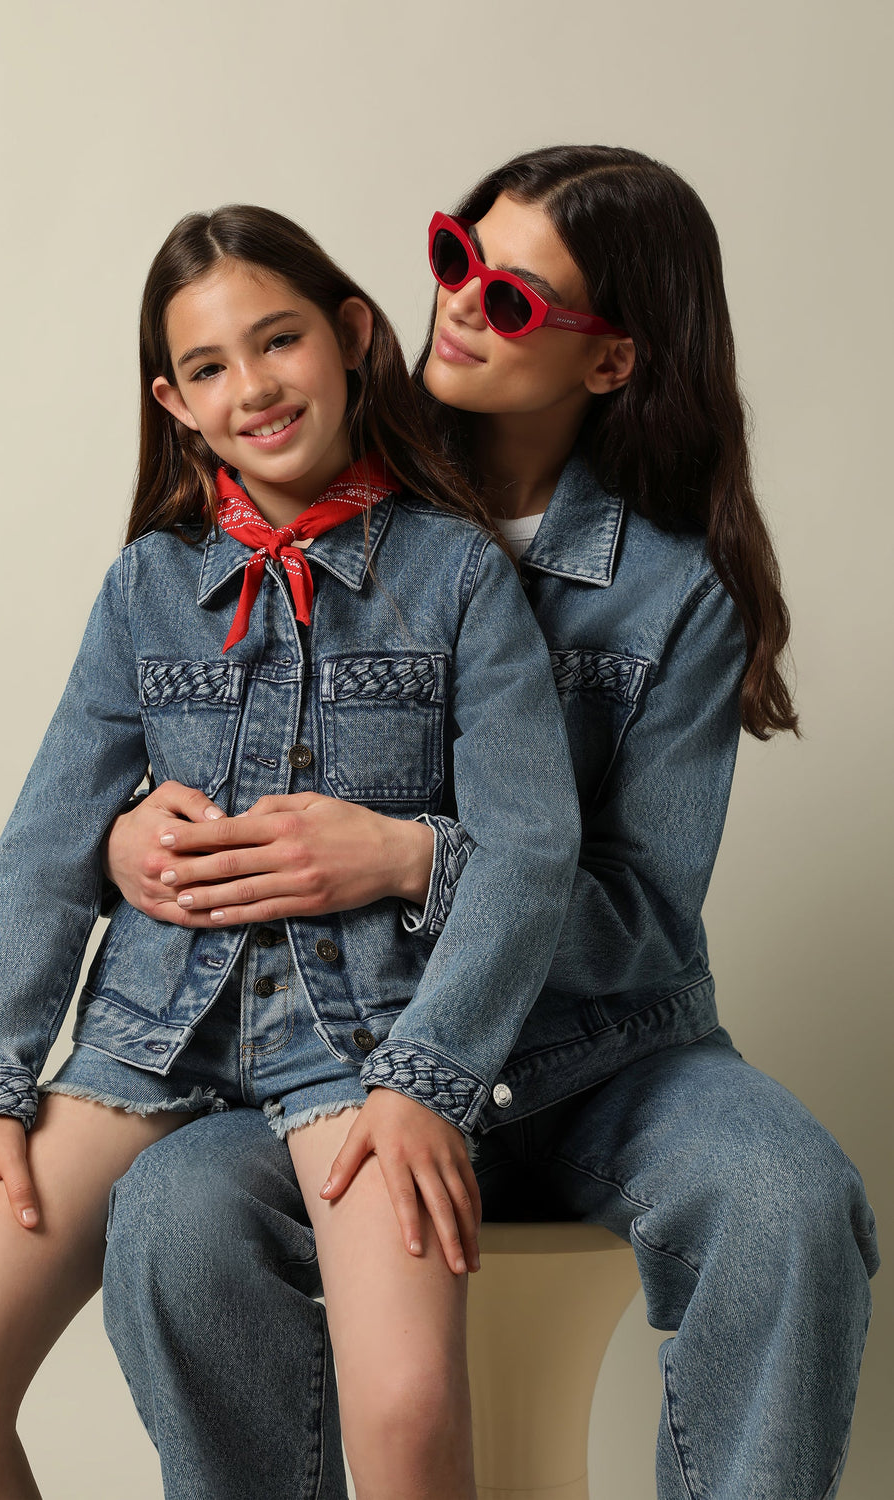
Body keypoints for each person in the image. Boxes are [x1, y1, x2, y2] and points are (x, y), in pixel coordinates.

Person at [99, 147, 880, 1500]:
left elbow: (641, 920)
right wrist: (127, 841)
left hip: (600, 1058)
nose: (459, 304)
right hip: (343, 1058)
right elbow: (182, 712)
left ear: (611, 360)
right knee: (172, 1214)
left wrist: (412, 861)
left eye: (514, 299)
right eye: (456, 258)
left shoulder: (676, 592)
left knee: (788, 1200)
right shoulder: (316, 477)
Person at [0, 204, 585, 1500]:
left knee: (408, 1412)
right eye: (208, 366)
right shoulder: (145, 584)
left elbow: (529, 852)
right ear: (175, 403)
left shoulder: (457, 576)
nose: (252, 386)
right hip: (152, 1029)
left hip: (360, 1042)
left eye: (278, 340)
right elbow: (43, 851)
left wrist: (427, 1078)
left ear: (351, 334)